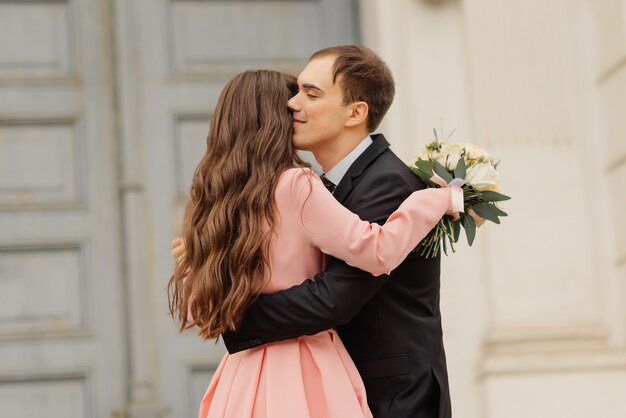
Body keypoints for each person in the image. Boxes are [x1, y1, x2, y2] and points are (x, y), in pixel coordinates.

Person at [168, 69, 460, 418]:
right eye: (292, 105)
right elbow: (376, 250)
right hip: (304, 366)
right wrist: (434, 200)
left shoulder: (213, 200)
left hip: (243, 375)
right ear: (278, 119)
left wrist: (197, 258)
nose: (299, 109)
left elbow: (195, 309)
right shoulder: (297, 184)